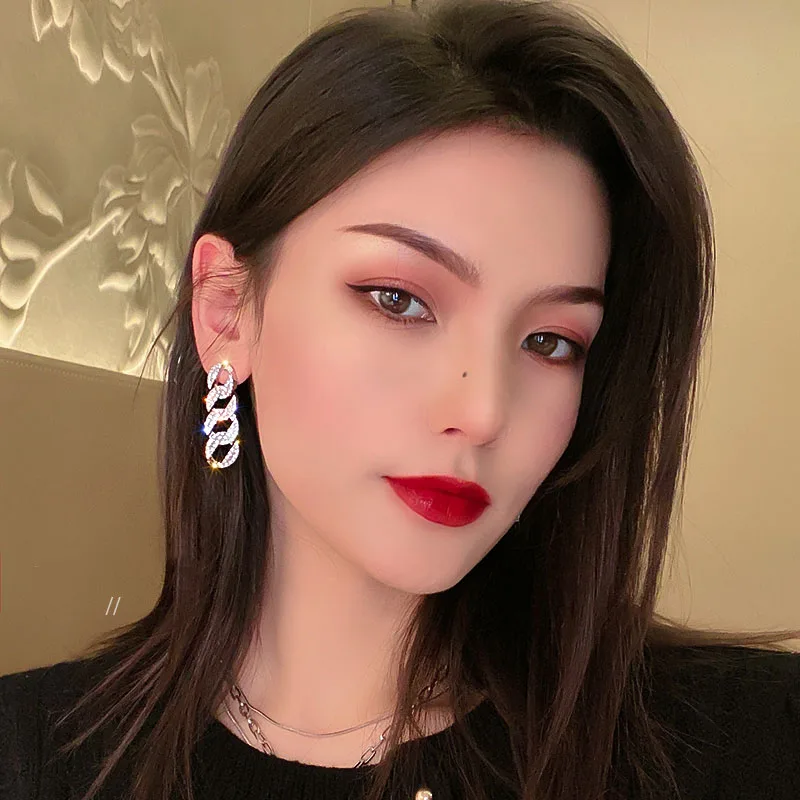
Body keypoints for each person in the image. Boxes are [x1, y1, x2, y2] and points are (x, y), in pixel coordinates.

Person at [1, 1, 798, 798]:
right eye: (399, 300)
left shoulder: (748, 742)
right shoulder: (33, 755)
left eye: (551, 342)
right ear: (225, 310)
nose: (483, 412)